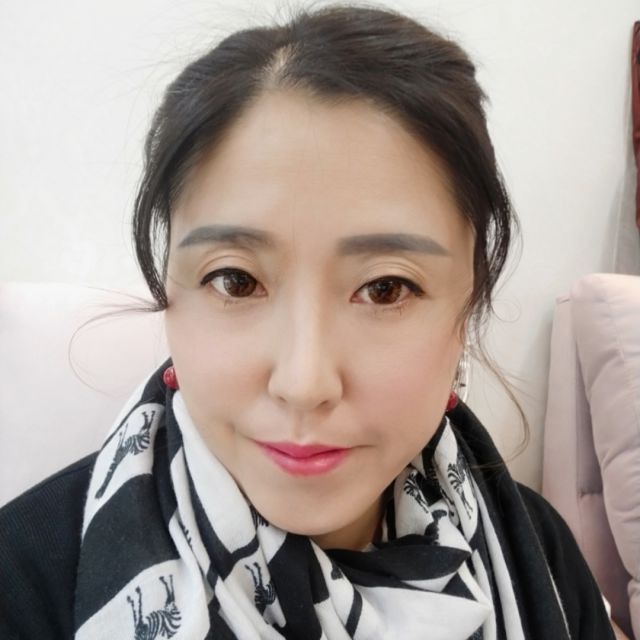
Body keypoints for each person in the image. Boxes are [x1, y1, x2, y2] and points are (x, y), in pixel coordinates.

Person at [0, 3, 618, 639]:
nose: (304, 383)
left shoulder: (539, 553)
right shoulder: (23, 585)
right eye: (235, 280)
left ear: (468, 306)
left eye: (385, 288)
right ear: (171, 294)